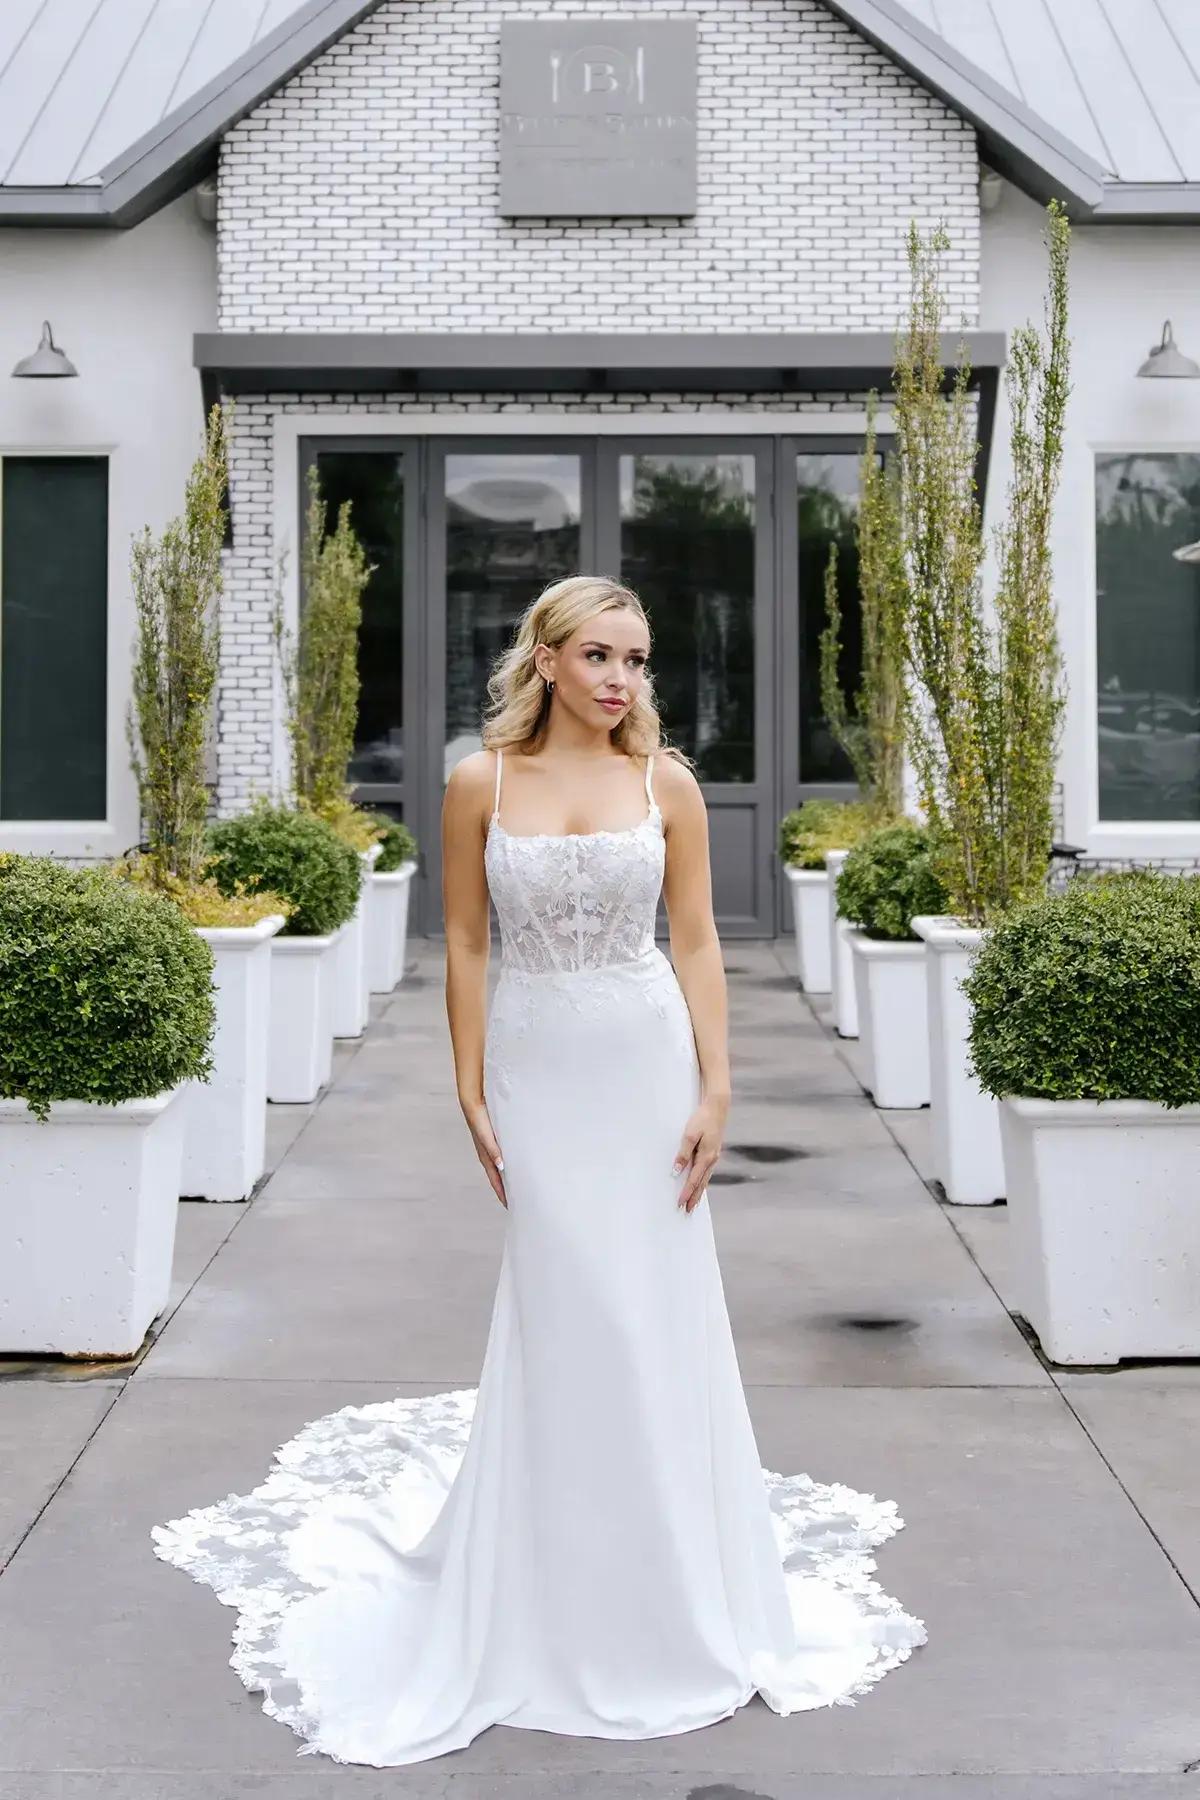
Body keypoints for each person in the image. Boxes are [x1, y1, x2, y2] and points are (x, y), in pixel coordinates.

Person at [150, 574, 926, 1767]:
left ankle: (667, 1589)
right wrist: (467, 1082)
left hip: (645, 1062)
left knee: (647, 1311)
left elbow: (701, 940)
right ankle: (545, 1584)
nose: (622, 679)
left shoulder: (664, 783)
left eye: (639, 659)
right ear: (548, 659)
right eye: (602, 655)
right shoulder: (482, 781)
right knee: (569, 1310)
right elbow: (464, 937)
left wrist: (719, 1086)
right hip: (538, 1066)